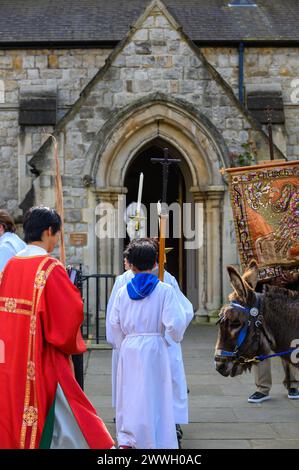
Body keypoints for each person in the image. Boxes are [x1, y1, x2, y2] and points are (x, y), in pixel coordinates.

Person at [0, 206, 114, 449]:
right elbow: (68, 318)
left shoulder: (10, 266)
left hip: (11, 359)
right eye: (57, 235)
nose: (55, 240)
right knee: (67, 418)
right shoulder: (50, 269)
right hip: (42, 361)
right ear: (49, 231)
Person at [106, 239, 193, 442]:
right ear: (156, 263)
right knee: (157, 393)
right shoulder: (164, 290)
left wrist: (122, 343)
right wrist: (170, 338)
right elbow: (176, 323)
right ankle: (158, 438)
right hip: (155, 347)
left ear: (131, 264)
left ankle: (129, 439)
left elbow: (113, 325)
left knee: (131, 392)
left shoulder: (122, 291)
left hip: (129, 347)